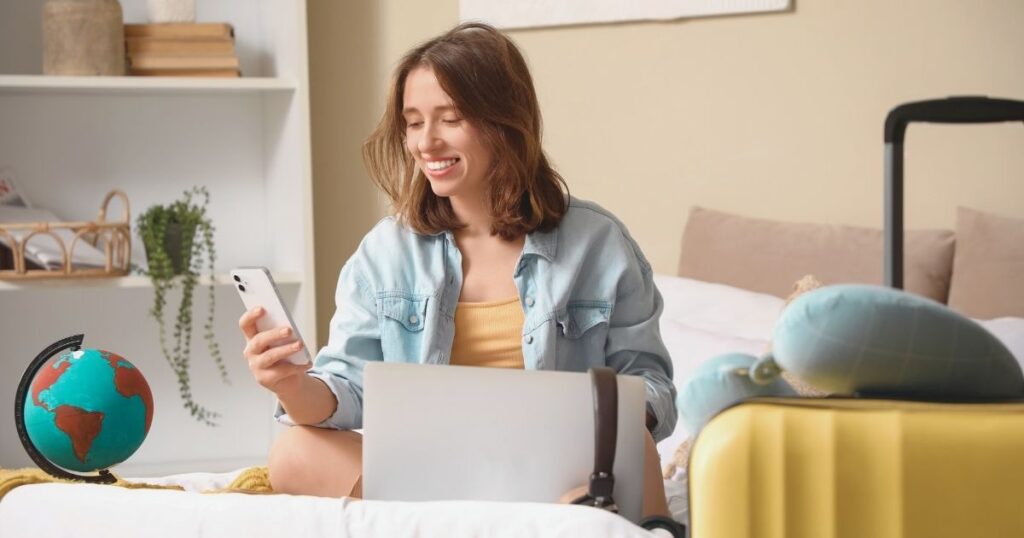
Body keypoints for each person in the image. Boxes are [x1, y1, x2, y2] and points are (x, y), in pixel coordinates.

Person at [238, 22, 676, 518]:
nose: (427, 142)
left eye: (450, 118)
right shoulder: (386, 252)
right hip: (430, 475)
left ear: (504, 122)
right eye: (413, 122)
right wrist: (291, 384)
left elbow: (651, 386)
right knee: (294, 453)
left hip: (561, 474)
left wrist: (588, 428)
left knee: (635, 449)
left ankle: (516, 517)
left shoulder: (598, 243)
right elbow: (349, 388)